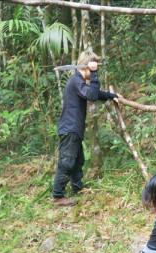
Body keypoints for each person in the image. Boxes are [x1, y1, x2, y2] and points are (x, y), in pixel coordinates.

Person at [52, 50, 118, 207]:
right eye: (94, 68)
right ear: (87, 67)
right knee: (67, 162)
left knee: (77, 161)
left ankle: (77, 189)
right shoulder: (76, 81)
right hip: (70, 129)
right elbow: (91, 95)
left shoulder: (78, 81)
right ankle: (57, 196)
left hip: (73, 129)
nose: (95, 71)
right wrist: (94, 74)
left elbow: (93, 93)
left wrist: (111, 96)